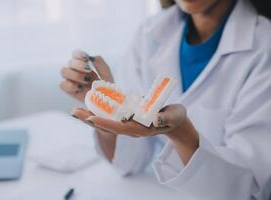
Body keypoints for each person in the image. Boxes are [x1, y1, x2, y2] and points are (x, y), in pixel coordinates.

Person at [60, 0, 271, 199]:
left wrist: (182, 134)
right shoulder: (149, 33)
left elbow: (250, 189)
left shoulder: (264, 46)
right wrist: (106, 116)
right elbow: (130, 162)